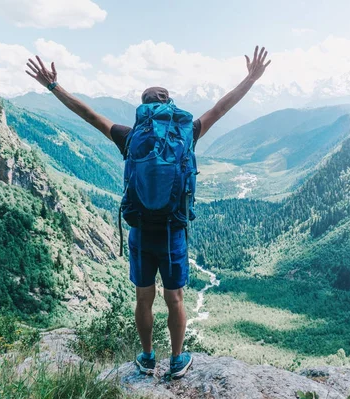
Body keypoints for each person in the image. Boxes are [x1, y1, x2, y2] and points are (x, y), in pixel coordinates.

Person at [25, 46, 271, 378]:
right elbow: (221, 107)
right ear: (169, 107)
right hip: (173, 231)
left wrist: (54, 87)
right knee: (176, 299)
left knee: (144, 299)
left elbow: (88, 114)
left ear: (143, 109)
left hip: (140, 230)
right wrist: (250, 79)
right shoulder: (186, 132)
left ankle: (146, 357)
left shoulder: (130, 136)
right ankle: (178, 359)